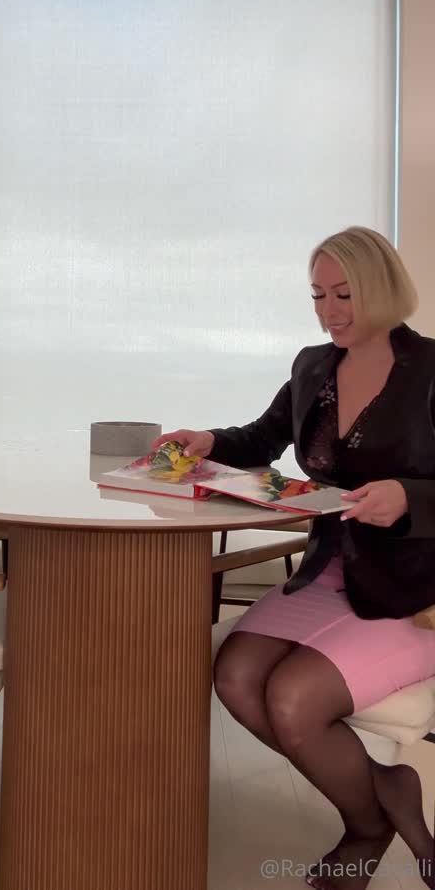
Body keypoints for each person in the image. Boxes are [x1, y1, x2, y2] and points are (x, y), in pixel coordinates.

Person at [152, 226, 435, 890]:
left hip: (415, 591)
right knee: (235, 677)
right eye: (317, 296)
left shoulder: (430, 369)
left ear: (383, 289)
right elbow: (264, 438)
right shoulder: (314, 365)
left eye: (344, 294)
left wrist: (409, 496)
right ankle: (385, 789)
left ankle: (364, 829)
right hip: (331, 568)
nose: (329, 311)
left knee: (292, 698)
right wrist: (210, 441)